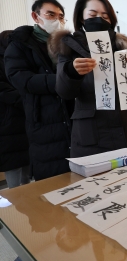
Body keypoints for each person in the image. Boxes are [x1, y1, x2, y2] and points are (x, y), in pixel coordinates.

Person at [49, 0, 127, 157]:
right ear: (81, 17)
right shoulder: (70, 47)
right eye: (92, 14)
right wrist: (72, 71)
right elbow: (64, 92)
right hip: (92, 135)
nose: (99, 19)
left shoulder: (124, 46)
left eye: (105, 16)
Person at [4, 0, 73, 180]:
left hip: (72, 116)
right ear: (36, 16)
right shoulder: (20, 45)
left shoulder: (67, 44)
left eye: (60, 16)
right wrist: (62, 79)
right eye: (50, 15)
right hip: (42, 119)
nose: (57, 20)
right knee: (53, 179)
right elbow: (21, 79)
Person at [0, 31, 30, 188]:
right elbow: (3, 91)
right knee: (13, 165)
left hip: (25, 116)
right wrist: (27, 97)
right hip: (8, 119)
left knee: (27, 163)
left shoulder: (22, 55)